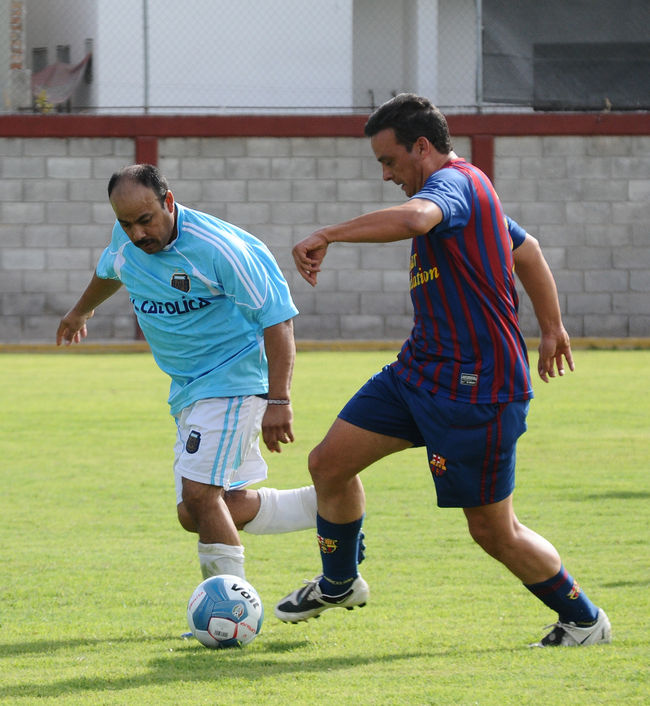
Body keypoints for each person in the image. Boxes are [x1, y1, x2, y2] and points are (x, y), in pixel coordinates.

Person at [275, 93, 611, 648]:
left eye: (389, 161)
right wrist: (551, 327)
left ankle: (583, 620)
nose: (386, 175)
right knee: (328, 464)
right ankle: (340, 583)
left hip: (477, 390)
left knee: (493, 530)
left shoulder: (453, 184)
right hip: (419, 373)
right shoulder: (474, 194)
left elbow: (415, 219)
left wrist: (329, 233)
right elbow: (527, 250)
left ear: (422, 147)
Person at [56, 163, 318, 582]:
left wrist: (279, 400)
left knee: (200, 495)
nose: (137, 234)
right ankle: (326, 506)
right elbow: (111, 269)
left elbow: (278, 320)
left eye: (145, 220)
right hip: (189, 389)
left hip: (233, 380)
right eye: (126, 224)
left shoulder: (220, 250)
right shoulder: (128, 240)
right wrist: (80, 311)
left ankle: (229, 608)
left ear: (169, 202)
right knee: (195, 511)